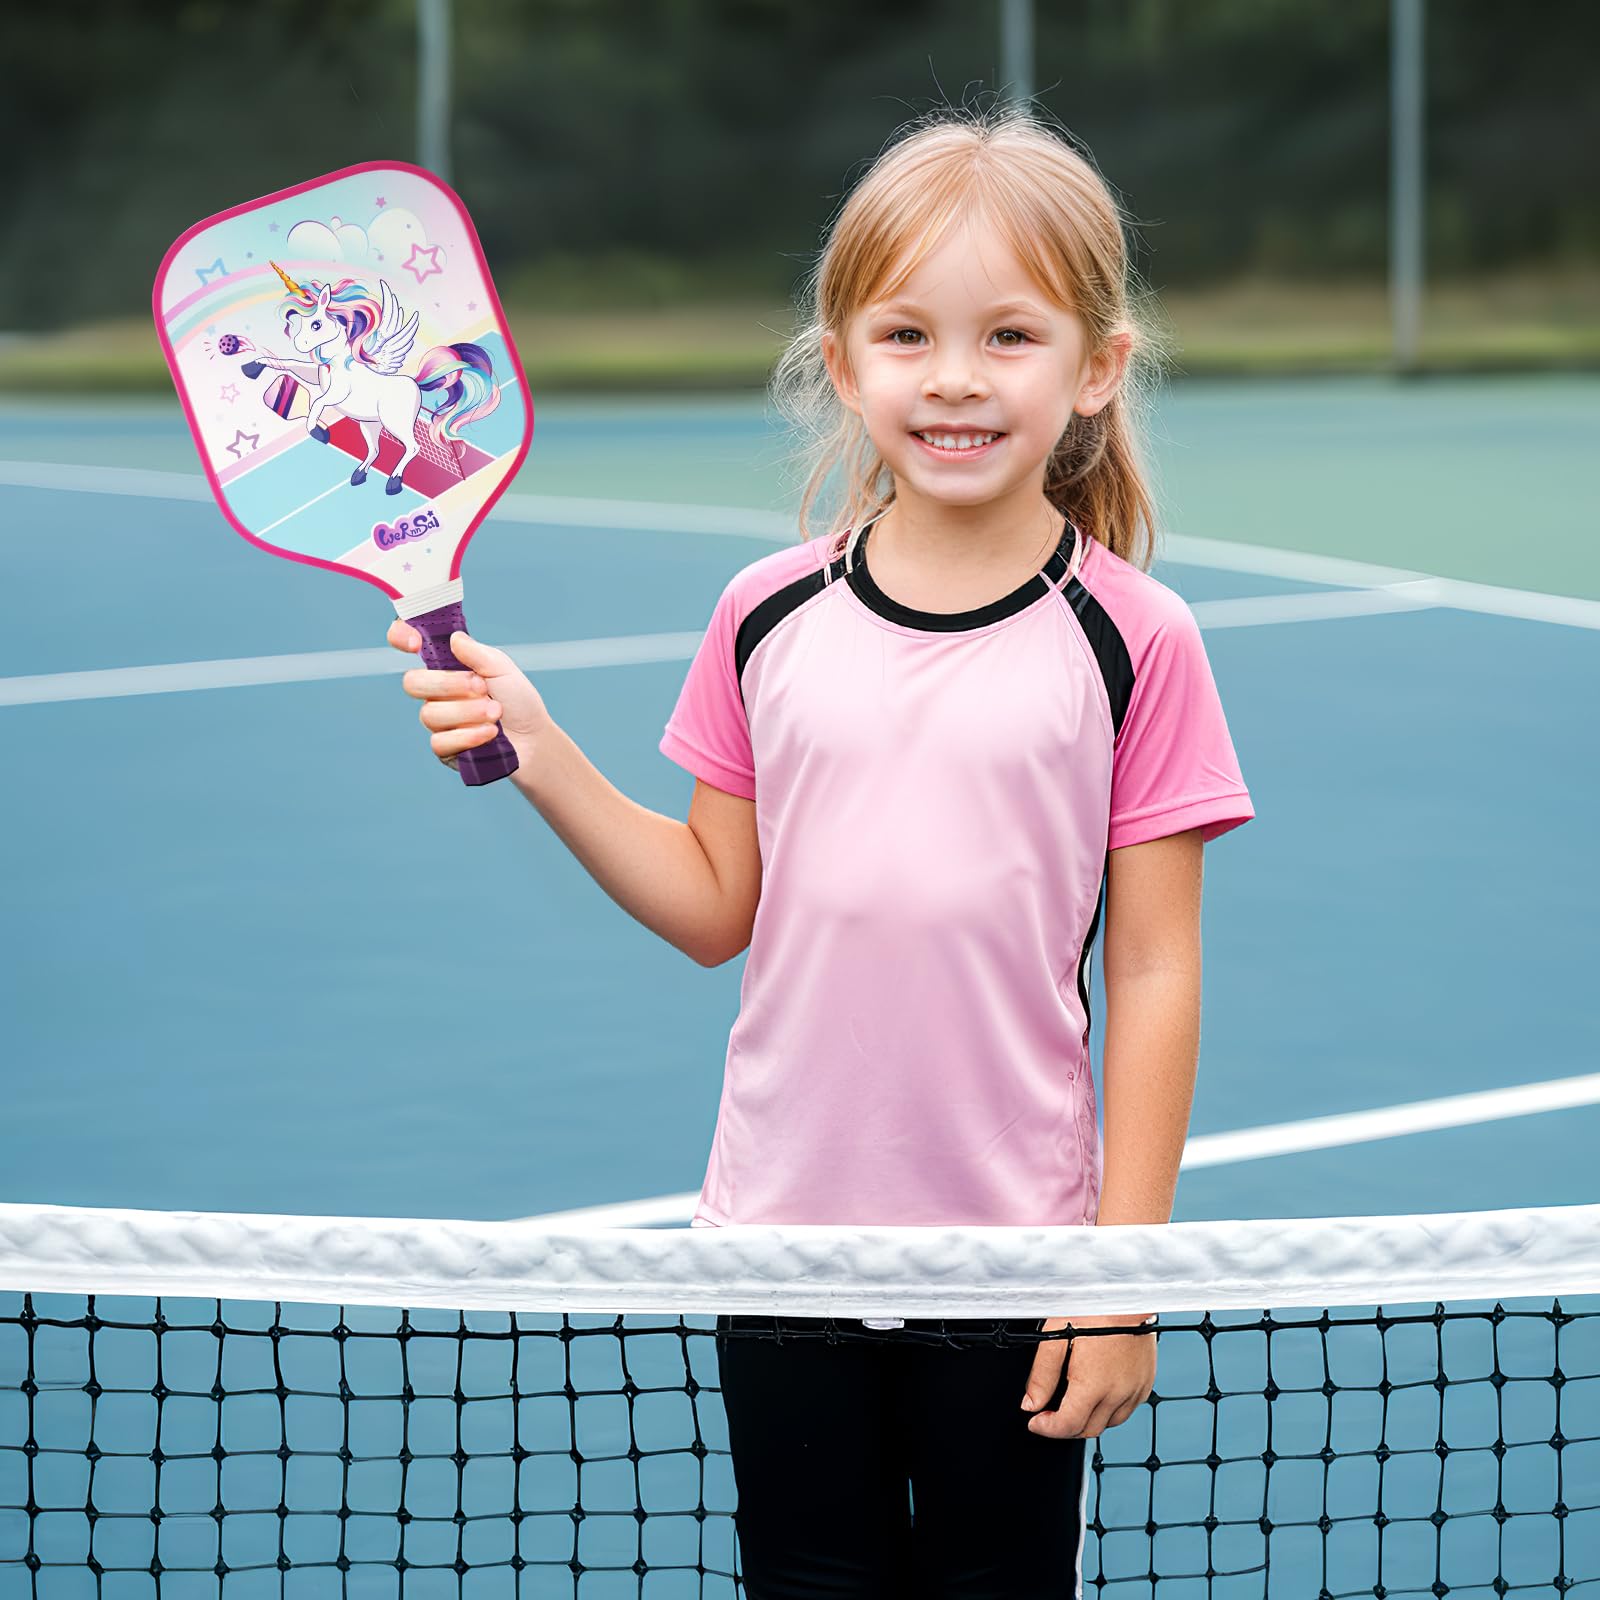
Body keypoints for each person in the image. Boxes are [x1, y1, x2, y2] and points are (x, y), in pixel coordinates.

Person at [388, 99, 1254, 1600]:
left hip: (1015, 1263)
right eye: (907, 336)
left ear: (1098, 369)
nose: (956, 378)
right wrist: (538, 745)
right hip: (780, 1248)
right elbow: (713, 906)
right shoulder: (764, 615)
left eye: (1010, 337)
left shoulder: (1138, 639)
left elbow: (1158, 970)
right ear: (844, 365)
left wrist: (1124, 1277)